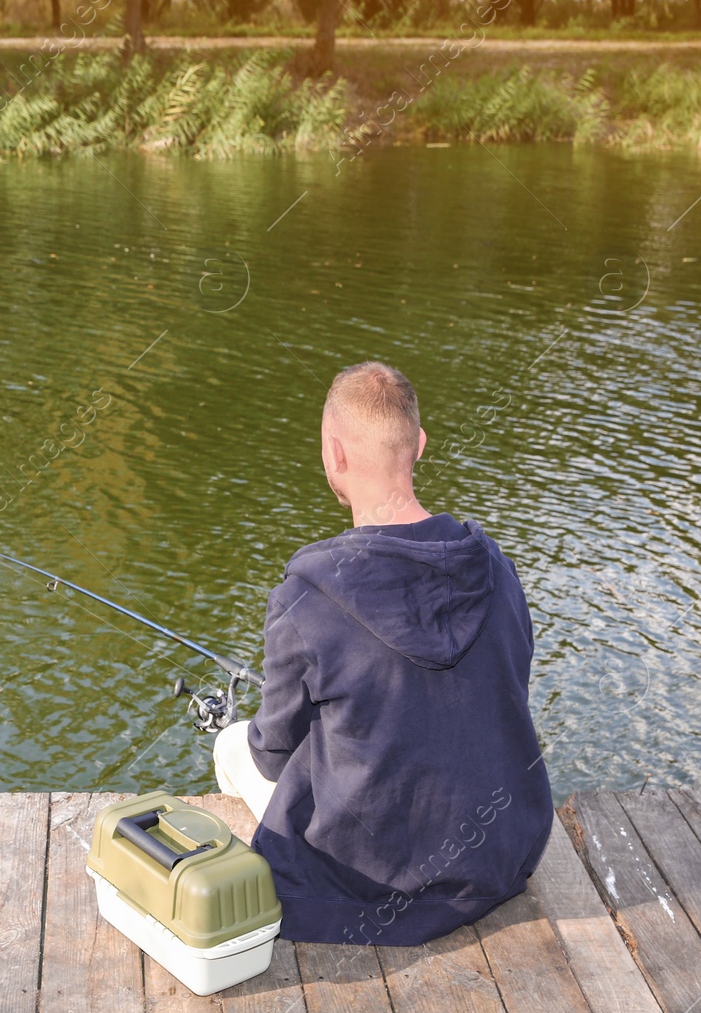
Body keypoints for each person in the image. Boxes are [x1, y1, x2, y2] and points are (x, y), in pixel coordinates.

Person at [212, 360, 553, 946]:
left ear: (333, 454)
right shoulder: (496, 568)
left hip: (363, 879)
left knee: (230, 744)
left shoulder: (308, 595)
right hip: (498, 857)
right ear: (418, 444)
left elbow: (271, 755)